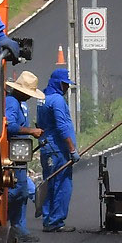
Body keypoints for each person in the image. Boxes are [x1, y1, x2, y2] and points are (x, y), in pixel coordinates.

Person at [4, 71, 45, 242]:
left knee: (20, 191)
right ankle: (13, 226)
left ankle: (19, 226)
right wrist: (31, 131)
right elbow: (10, 127)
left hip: (20, 153)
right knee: (16, 191)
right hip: (13, 154)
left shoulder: (20, 104)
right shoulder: (12, 103)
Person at [36, 68, 77, 233]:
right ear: (59, 84)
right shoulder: (58, 101)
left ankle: (48, 219)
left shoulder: (43, 98)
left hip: (47, 148)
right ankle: (56, 221)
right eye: (65, 85)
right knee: (62, 184)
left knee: (49, 182)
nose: (67, 89)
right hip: (58, 149)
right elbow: (62, 126)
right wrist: (72, 149)